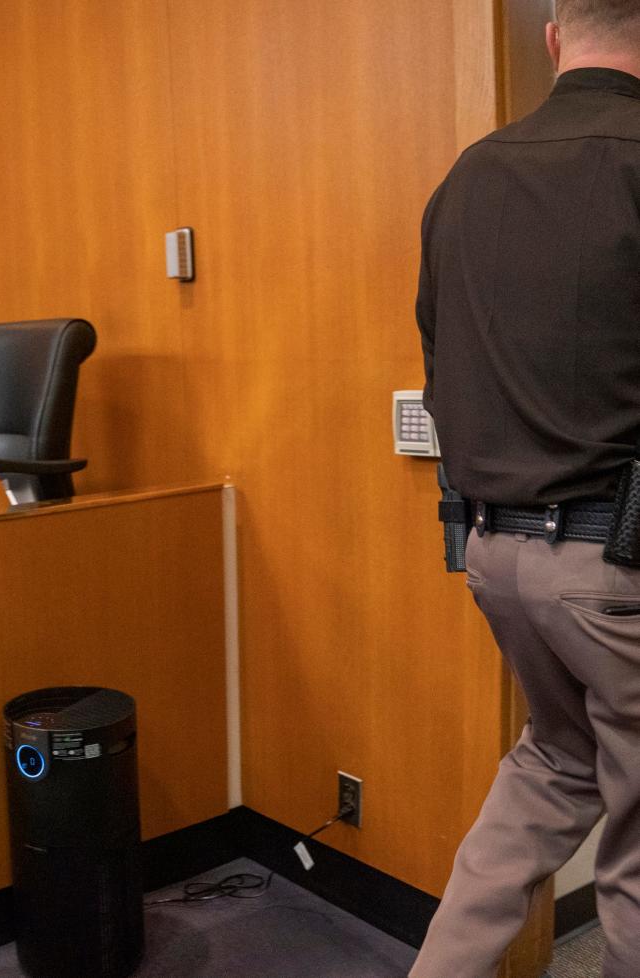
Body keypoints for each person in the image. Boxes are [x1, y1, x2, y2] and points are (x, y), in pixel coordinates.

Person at [411, 3, 640, 976]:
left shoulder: (464, 180)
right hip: (618, 568)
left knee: (554, 763)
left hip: (497, 559)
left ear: (555, 36)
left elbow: (438, 365)